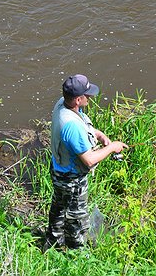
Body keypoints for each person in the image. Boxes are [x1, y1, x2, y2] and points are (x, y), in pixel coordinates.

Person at [45, 74, 128, 250]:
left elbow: (82, 125)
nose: (90, 97)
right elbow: (89, 160)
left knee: (58, 208)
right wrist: (113, 147)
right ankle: (76, 256)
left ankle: (52, 243)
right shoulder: (72, 126)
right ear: (77, 99)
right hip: (71, 180)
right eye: (87, 94)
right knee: (76, 219)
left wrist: (99, 135)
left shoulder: (62, 103)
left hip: (59, 171)